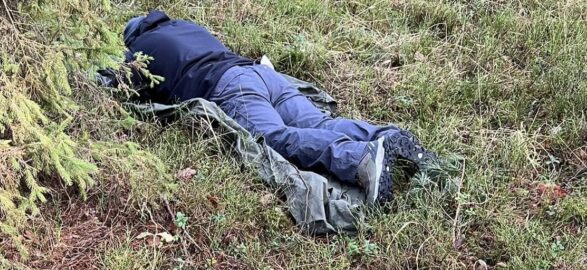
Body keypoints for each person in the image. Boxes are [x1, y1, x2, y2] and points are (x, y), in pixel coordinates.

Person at [122, 10, 440, 205]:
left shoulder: (139, 51)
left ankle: (360, 160)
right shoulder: (185, 26)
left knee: (276, 138)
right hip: (262, 75)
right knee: (319, 123)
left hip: (231, 87)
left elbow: (132, 94)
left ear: (133, 38)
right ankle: (390, 137)